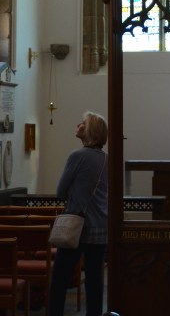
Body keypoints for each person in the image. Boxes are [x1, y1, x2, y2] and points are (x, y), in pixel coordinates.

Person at [48, 111, 108, 316]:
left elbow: (60, 191)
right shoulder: (107, 159)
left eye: (83, 123)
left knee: (60, 279)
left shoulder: (77, 156)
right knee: (94, 281)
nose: (78, 125)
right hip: (100, 226)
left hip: (76, 227)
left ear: (90, 131)